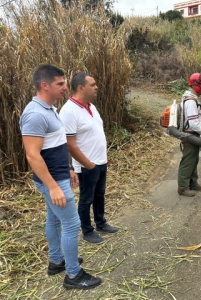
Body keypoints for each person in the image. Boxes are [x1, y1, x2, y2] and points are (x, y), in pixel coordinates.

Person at [19, 64, 101, 290]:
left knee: (54, 219)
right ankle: (73, 276)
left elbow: (56, 145)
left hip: (59, 175)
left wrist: (69, 169)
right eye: (60, 84)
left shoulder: (49, 108)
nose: (66, 87)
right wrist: (53, 186)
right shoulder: (35, 114)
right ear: (44, 86)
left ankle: (57, 261)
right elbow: (32, 155)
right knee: (72, 223)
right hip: (52, 180)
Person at [59, 72, 118, 244]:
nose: (96, 87)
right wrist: (88, 164)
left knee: (99, 194)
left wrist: (103, 157)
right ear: (81, 88)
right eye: (92, 85)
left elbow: (95, 134)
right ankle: (87, 230)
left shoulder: (90, 106)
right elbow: (69, 144)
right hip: (86, 165)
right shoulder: (69, 111)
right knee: (86, 198)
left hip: (100, 161)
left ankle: (101, 223)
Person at [177, 72, 201, 197]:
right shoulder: (190, 101)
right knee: (188, 161)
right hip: (189, 135)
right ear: (195, 86)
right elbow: (193, 124)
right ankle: (183, 188)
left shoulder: (192, 99)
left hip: (192, 135)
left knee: (194, 159)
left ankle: (193, 183)